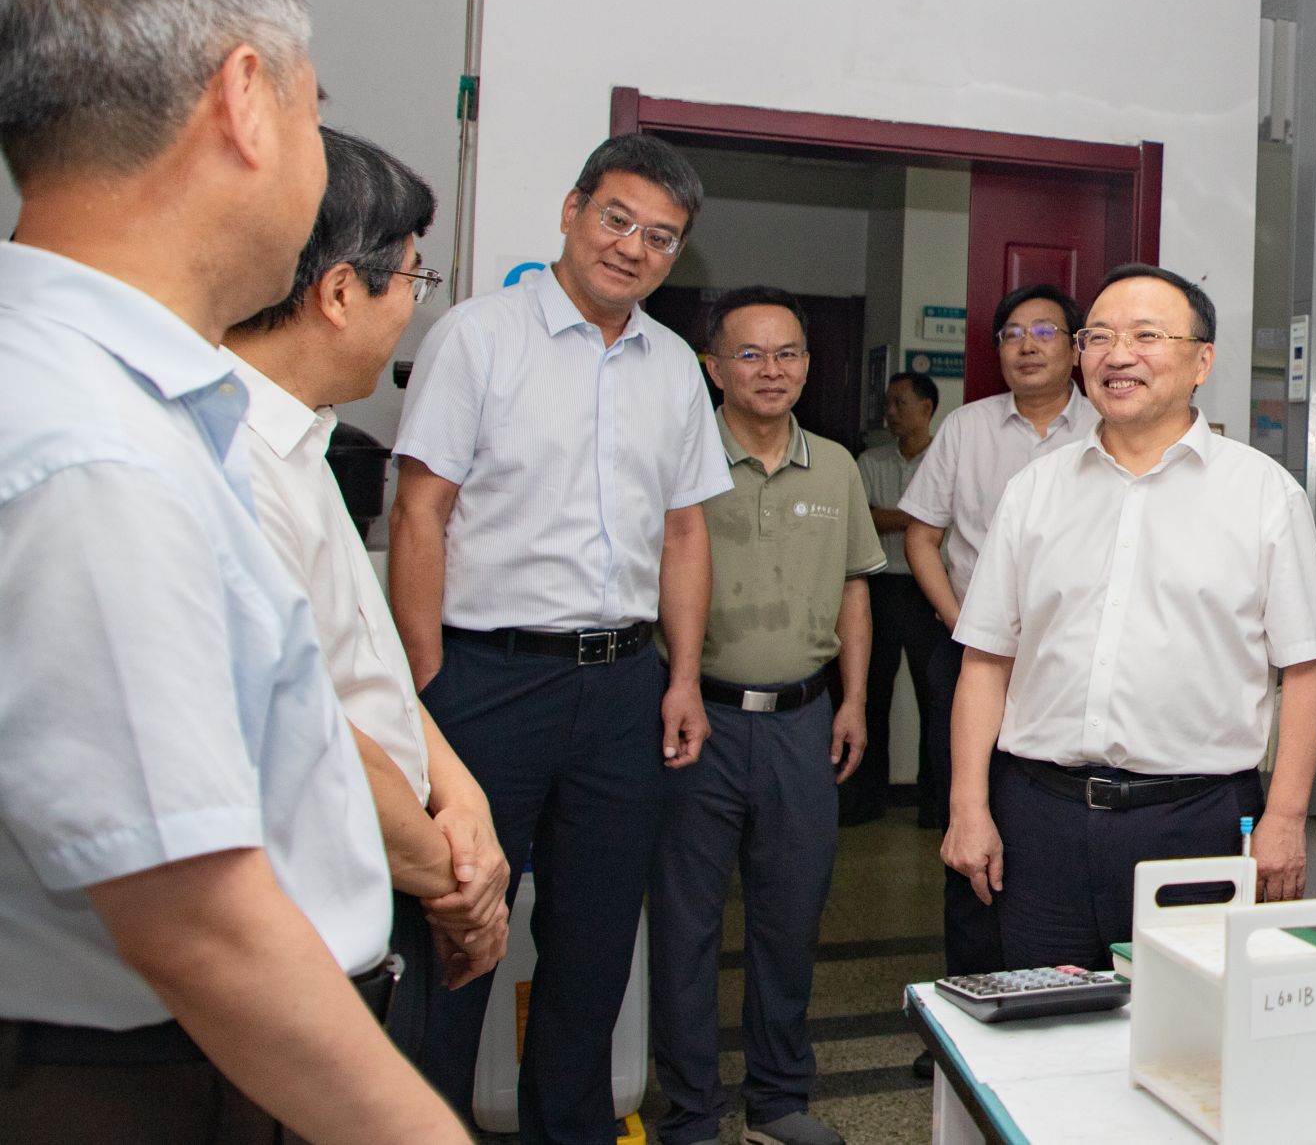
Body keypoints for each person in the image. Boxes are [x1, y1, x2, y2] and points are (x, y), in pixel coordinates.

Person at [0, 0, 467, 1143]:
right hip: (146, 1079)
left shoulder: (108, 391)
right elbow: (200, 923)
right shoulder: (94, 448)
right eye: (316, 111)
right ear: (245, 101)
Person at [389, 133, 730, 1142]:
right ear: (573, 211)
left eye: (660, 237)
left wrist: (682, 677)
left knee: (594, 936)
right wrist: (424, 681)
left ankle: (568, 1128)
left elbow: (684, 531)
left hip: (623, 686)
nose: (632, 247)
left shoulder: (674, 367)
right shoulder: (477, 336)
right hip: (485, 679)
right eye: (617, 218)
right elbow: (419, 511)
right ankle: (425, 1126)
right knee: (456, 918)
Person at [940, 264, 1316, 970]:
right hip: (1040, 816)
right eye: (1098, 337)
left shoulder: (1262, 494)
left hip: (1196, 821)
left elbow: (1308, 668)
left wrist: (1284, 818)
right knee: (1044, 1020)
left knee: (1188, 1024)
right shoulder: (1034, 490)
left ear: (1201, 362)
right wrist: (968, 806)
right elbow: (986, 659)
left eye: (1147, 336)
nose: (1117, 355)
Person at [222, 126, 512, 1064]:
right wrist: (456, 881)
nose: (412, 313)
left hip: (390, 870)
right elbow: (307, 734)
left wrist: (461, 795)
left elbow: (366, 663)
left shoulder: (305, 440)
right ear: (342, 291)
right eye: (413, 282)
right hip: (319, 911)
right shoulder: (229, 461)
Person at [649, 286, 884, 1145]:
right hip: (698, 723)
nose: (771, 369)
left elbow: (855, 588)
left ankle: (779, 1098)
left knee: (790, 920)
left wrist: (854, 700)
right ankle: (690, 1109)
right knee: (686, 925)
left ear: (809, 366)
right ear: (714, 367)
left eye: (787, 353)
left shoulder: (838, 467)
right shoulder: (681, 459)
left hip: (801, 722)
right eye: (749, 353)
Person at [900, 283, 1097, 982]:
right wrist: (965, 626)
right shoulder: (966, 428)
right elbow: (921, 537)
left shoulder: (1106, 426)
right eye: (1012, 334)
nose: (1026, 346)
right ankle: (974, 990)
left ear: (1077, 347)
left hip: (1071, 666)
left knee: (1051, 825)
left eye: (1044, 331)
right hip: (972, 661)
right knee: (968, 825)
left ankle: (1064, 982)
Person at [841, 370, 946, 827]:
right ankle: (865, 800)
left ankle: (934, 806)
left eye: (900, 403)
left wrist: (893, 517)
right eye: (888, 403)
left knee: (935, 696)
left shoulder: (946, 457)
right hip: (879, 586)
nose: (891, 412)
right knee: (870, 694)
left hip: (930, 590)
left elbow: (949, 518)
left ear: (927, 407)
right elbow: (861, 520)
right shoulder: (870, 461)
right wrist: (919, 517)